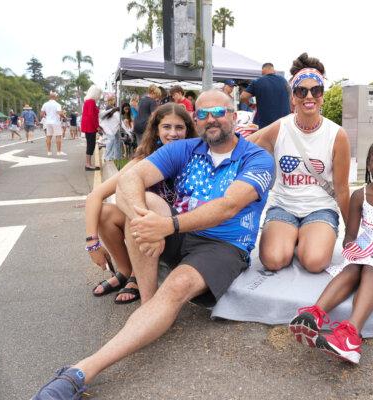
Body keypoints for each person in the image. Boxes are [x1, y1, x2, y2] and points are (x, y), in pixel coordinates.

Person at [32, 90, 275, 398]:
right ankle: (149, 306)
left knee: (175, 286)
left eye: (217, 112)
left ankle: (80, 372)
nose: (210, 119)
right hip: (176, 231)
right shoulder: (187, 148)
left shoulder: (257, 158)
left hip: (223, 244)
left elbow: (227, 206)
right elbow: (129, 181)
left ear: (233, 114)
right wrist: (144, 220)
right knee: (144, 202)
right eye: (202, 114)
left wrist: (166, 225)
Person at [290, 135, 373, 364]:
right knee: (354, 267)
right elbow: (350, 236)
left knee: (372, 269)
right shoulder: (359, 195)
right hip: (366, 254)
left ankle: (351, 334)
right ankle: (314, 315)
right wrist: (353, 247)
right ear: (369, 164)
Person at [249, 53, 351, 273]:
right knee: (273, 260)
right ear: (293, 97)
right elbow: (243, 146)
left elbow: (342, 190)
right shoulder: (279, 128)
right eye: (301, 91)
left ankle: (305, 236)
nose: (309, 96)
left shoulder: (337, 134)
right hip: (283, 206)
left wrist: (351, 233)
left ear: (322, 95)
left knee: (314, 262)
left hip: (320, 208)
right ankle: (293, 237)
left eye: (316, 90)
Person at [87, 103, 197, 304]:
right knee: (108, 212)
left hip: (176, 231)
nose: (173, 133)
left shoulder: (195, 158)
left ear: (188, 131)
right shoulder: (143, 160)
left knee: (140, 207)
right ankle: (127, 272)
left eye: (179, 128)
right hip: (145, 228)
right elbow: (96, 196)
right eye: (167, 127)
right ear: (156, 129)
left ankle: (140, 280)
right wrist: (92, 244)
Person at [240, 62, 291, 128]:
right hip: (283, 124)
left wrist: (250, 104)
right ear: (273, 70)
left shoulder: (258, 82)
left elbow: (243, 97)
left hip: (265, 126)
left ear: (262, 71)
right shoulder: (284, 81)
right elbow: (291, 97)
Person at [81, 85, 102, 171]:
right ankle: (88, 164)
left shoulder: (87, 101)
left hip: (88, 126)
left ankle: (88, 163)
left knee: (90, 144)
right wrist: (97, 127)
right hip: (90, 126)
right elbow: (91, 116)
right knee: (91, 144)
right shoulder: (91, 102)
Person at [40, 91, 66, 156]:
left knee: (48, 136)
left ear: (50, 97)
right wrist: (64, 116)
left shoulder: (45, 104)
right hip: (56, 122)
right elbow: (59, 113)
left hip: (48, 122)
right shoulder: (57, 104)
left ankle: (49, 152)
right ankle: (59, 152)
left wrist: (46, 117)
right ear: (55, 97)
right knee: (58, 136)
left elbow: (41, 114)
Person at [99, 97, 122, 161]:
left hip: (111, 128)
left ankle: (112, 156)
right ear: (112, 101)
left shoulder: (110, 108)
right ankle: (107, 157)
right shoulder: (109, 108)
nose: (115, 102)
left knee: (113, 141)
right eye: (114, 100)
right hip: (109, 128)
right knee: (111, 141)